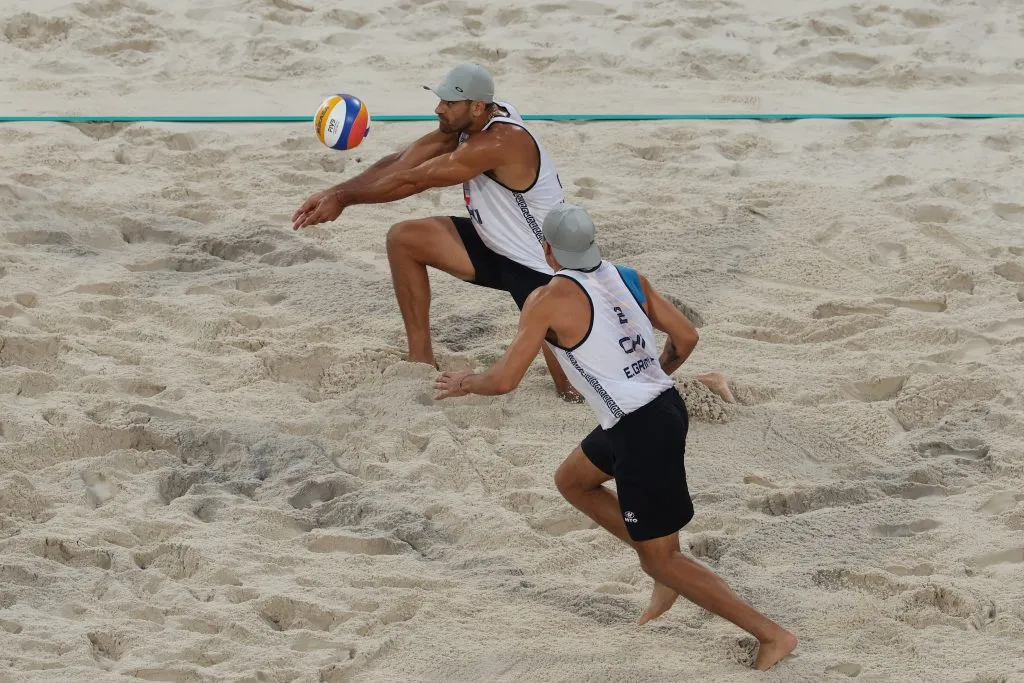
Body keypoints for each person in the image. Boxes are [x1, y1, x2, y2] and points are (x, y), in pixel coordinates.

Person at [432, 203, 797, 671]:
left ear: (547, 249)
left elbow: (504, 380)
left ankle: (771, 634)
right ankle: (664, 569)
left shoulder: (546, 299)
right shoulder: (628, 276)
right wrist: (651, 376)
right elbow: (686, 337)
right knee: (573, 480)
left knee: (662, 558)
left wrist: (467, 382)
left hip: (640, 427)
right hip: (662, 407)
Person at [291, 63, 584, 402]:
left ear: (477, 106)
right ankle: (421, 359)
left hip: (538, 266)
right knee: (404, 239)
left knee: (572, 390)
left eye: (449, 102)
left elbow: (416, 180)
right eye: (440, 100)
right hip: (493, 246)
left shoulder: (499, 142)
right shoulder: (470, 122)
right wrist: (334, 192)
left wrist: (345, 199)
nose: (438, 109)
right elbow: (402, 161)